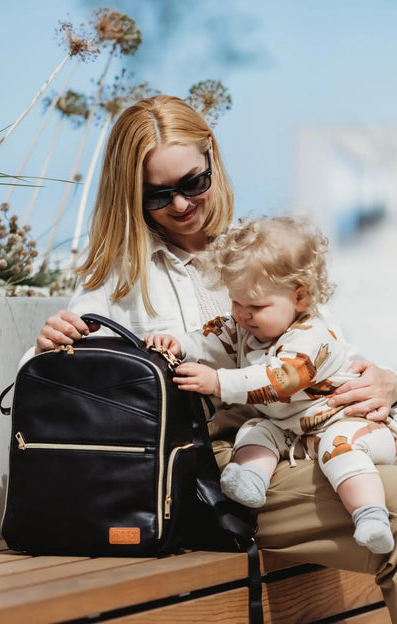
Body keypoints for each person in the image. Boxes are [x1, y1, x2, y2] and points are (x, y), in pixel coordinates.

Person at [29, 95, 397, 620]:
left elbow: (322, 344)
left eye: (192, 183)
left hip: (306, 438)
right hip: (215, 469)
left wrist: (387, 381)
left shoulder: (257, 249)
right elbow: (50, 382)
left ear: (212, 161)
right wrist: (51, 343)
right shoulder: (120, 281)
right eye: (158, 195)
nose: (180, 205)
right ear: (130, 194)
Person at [145, 216, 397, 555]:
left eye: (256, 306)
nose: (242, 315)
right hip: (291, 428)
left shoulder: (312, 338)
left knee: (339, 450)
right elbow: (213, 338)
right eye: (235, 302)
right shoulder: (246, 326)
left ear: (300, 298)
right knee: (254, 429)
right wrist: (179, 344)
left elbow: (278, 381)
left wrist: (217, 381)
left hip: (349, 422)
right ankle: (251, 480)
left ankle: (370, 515)